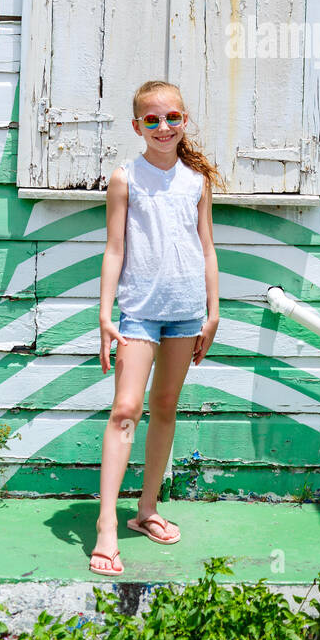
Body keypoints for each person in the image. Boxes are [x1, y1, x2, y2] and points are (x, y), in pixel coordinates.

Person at [89, 80, 221, 573]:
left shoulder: (196, 181)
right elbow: (115, 248)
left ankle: (146, 511)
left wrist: (213, 311)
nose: (163, 127)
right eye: (152, 120)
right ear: (137, 126)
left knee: (165, 406)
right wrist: (105, 314)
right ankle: (107, 524)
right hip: (139, 310)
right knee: (126, 409)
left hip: (186, 311)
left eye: (172, 118)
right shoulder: (126, 178)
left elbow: (206, 247)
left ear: (183, 121)